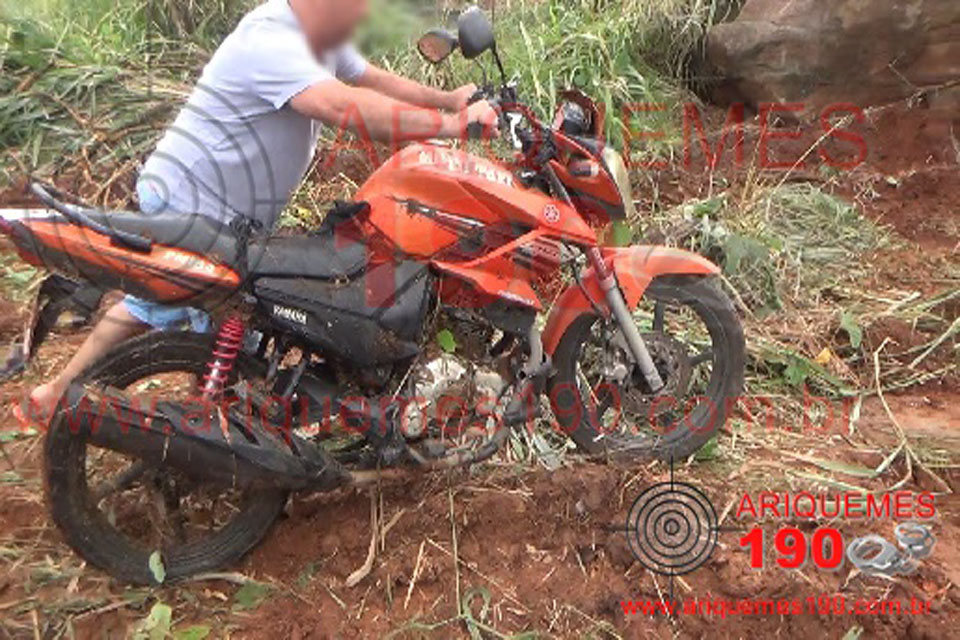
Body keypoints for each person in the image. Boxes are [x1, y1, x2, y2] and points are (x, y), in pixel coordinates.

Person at [22, 0, 498, 423]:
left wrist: (449, 99)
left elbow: (373, 79)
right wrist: (453, 125)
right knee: (221, 326)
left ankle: (62, 393)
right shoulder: (272, 38)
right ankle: (211, 443)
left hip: (225, 209)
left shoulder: (321, 31)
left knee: (165, 310)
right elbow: (343, 107)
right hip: (195, 201)